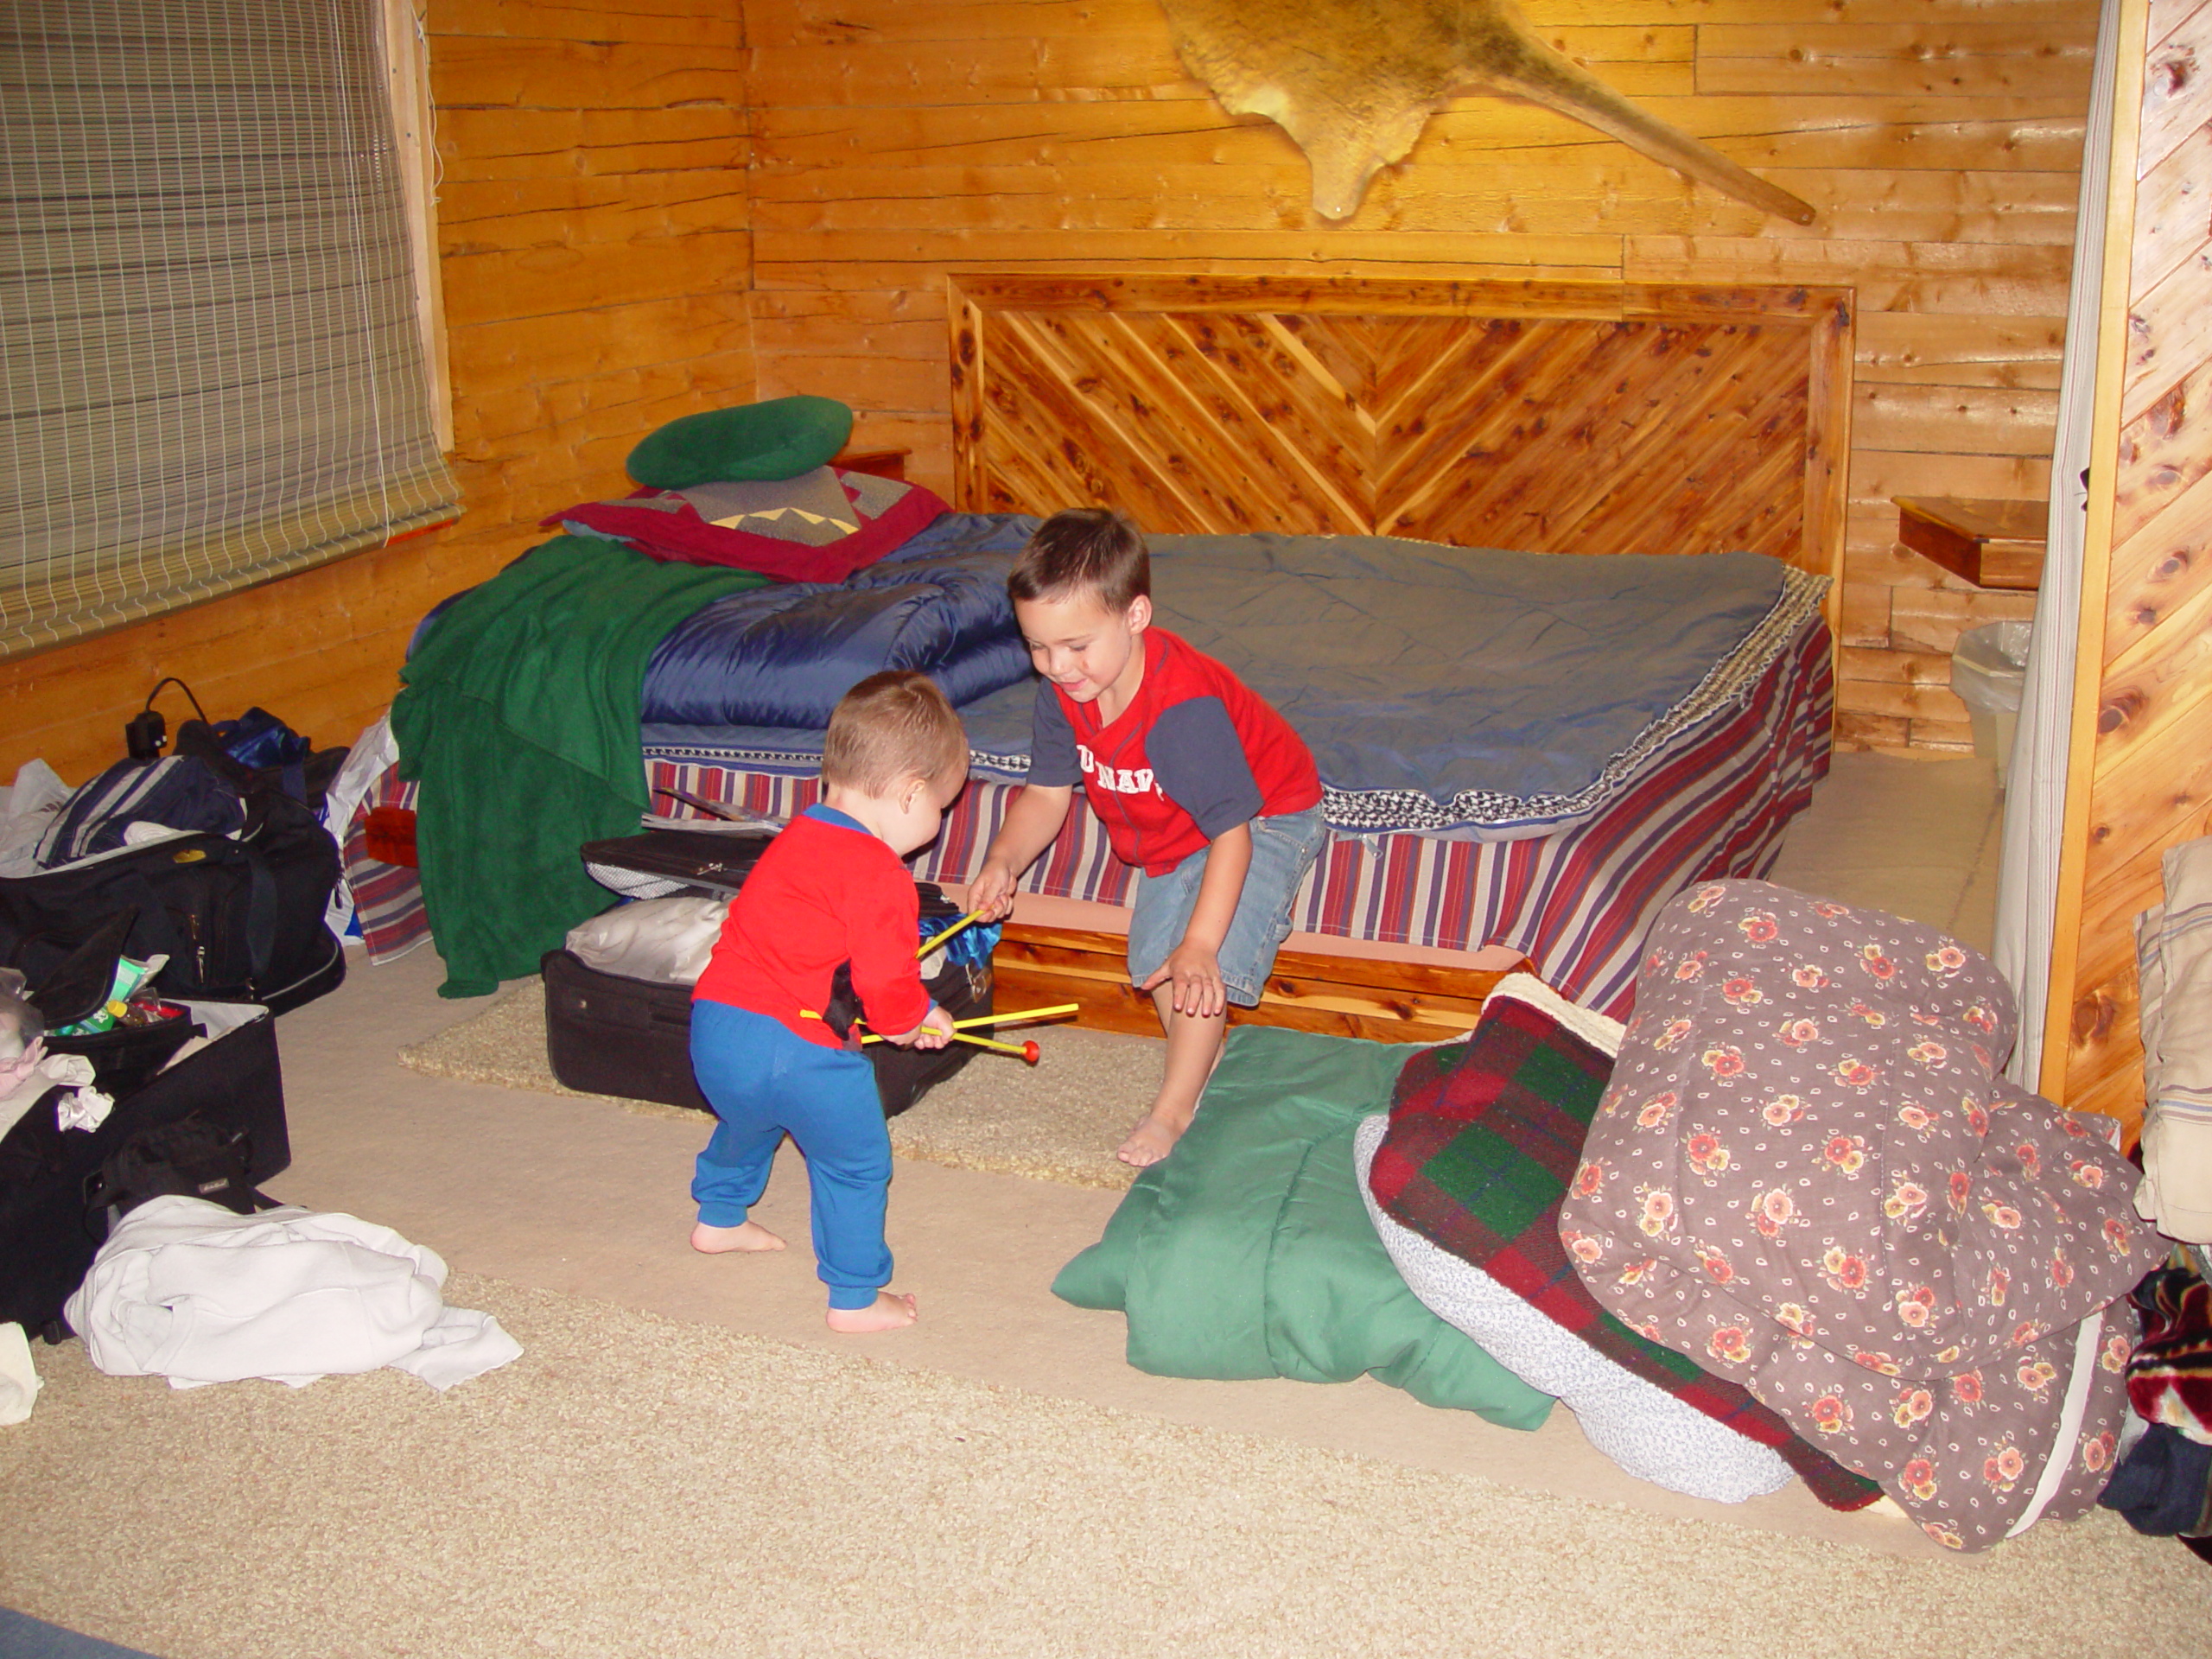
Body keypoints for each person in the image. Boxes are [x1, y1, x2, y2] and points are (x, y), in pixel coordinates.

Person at [967, 508, 1326, 1167]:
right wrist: (1002, 859)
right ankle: (1209, 1074)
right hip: (1172, 829)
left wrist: (1202, 943)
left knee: (1195, 963)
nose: (1056, 665)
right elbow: (1047, 795)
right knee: (1154, 964)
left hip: (1263, 814)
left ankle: (1174, 1110)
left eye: (1076, 646)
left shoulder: (1180, 711)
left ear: (1135, 617)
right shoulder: (1063, 692)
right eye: (1037, 647)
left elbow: (1232, 836)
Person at [687, 670, 964, 1332]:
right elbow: (887, 985)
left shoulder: (791, 840)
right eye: (939, 809)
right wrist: (914, 1019)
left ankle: (719, 1218)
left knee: (750, 1118)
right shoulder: (881, 875)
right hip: (799, 1052)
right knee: (855, 1163)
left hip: (715, 1029)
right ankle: (857, 1297)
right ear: (908, 794)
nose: (937, 824)